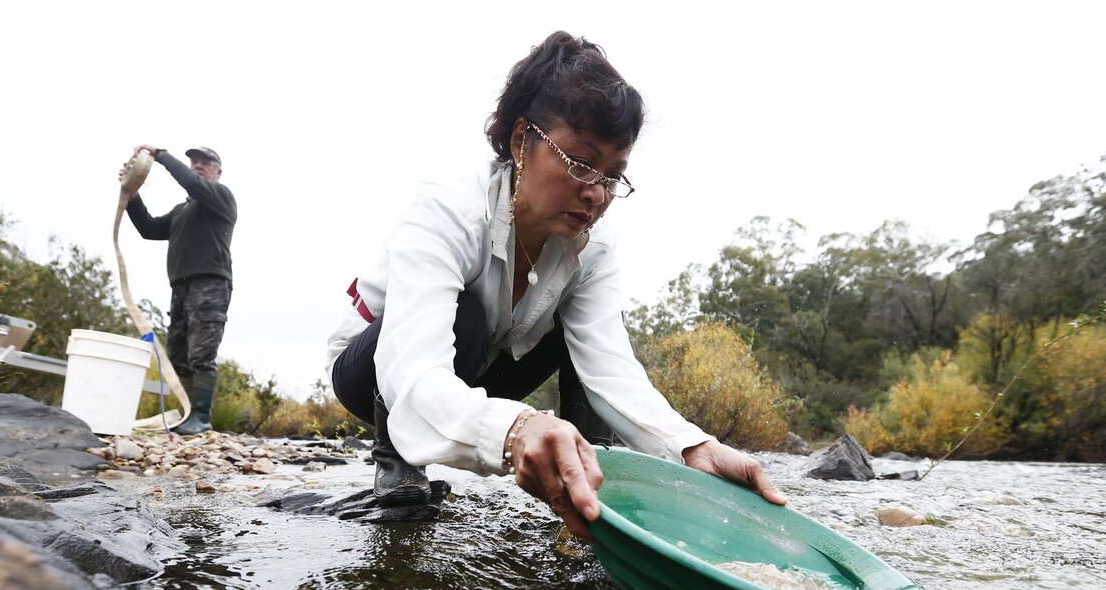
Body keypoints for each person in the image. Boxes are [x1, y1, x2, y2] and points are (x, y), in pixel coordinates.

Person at [326, 31, 786, 537]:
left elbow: (610, 368)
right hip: (377, 373)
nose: (596, 193)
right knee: (467, 316)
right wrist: (516, 428)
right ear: (522, 140)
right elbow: (412, 371)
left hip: (483, 367)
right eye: (580, 161)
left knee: (577, 331)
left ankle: (587, 482)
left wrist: (693, 447)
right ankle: (400, 463)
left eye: (613, 175)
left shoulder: (595, 246)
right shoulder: (446, 212)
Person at [123, 144, 237, 435]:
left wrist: (161, 157)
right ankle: (187, 414)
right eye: (194, 161)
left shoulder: (221, 198)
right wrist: (132, 196)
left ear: (218, 171)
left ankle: (202, 416)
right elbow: (149, 229)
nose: (198, 165)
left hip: (211, 284)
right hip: (180, 288)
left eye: (205, 161)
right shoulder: (181, 211)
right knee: (178, 355)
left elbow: (192, 183)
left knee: (201, 354)